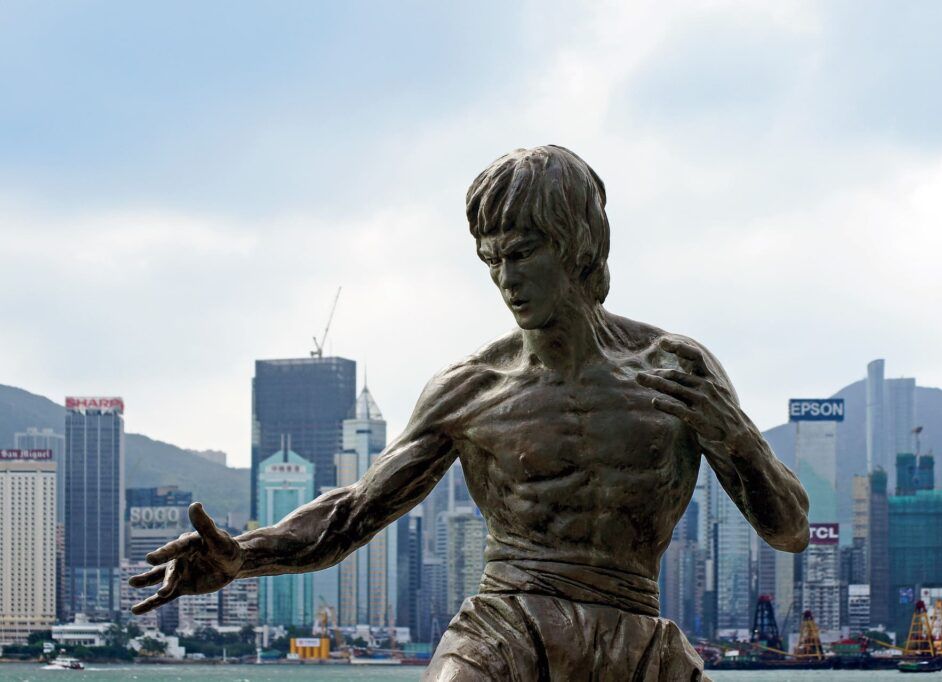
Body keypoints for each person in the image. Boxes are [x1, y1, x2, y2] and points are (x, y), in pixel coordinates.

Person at [131, 145, 809, 681]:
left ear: (574, 244)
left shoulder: (677, 369)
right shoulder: (470, 389)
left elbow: (789, 530)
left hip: (634, 636)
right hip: (503, 632)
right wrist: (241, 556)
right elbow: (352, 513)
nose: (506, 281)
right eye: (492, 261)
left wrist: (735, 435)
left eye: (522, 254)